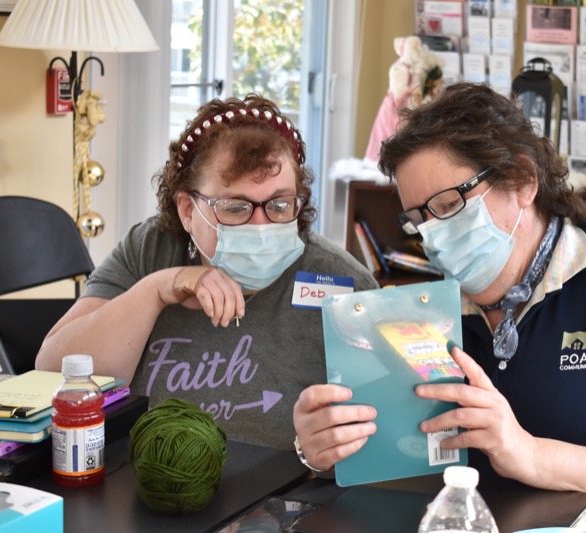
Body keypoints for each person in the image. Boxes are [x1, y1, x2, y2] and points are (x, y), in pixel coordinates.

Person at [292, 82, 586, 531]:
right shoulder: (428, 320)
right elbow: (399, 460)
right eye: (419, 219)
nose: (433, 236)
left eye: (449, 205)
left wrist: (530, 454)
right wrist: (323, 449)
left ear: (523, 180)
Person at [36, 94, 378, 450]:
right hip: (140, 485)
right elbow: (52, 373)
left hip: (286, 495)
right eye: (235, 207)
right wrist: (158, 290)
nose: (260, 225)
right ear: (187, 210)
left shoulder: (344, 284)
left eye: (279, 204)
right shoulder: (150, 249)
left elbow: (381, 434)